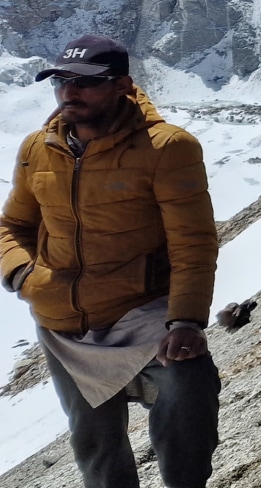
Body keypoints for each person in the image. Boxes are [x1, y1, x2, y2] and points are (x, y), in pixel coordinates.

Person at [1, 36, 220, 488]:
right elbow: (11, 225)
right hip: (62, 322)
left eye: (85, 84)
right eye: (61, 82)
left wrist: (185, 320)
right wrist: (24, 275)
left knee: (190, 392)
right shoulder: (37, 148)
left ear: (121, 86)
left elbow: (193, 242)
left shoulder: (167, 148)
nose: (68, 93)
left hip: (143, 308)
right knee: (95, 448)